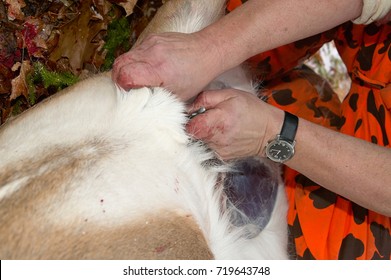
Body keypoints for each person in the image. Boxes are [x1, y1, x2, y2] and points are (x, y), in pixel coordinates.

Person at [112, 0, 391, 259]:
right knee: (238, 21)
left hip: (375, 196)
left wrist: (273, 134)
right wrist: (209, 48)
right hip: (373, 50)